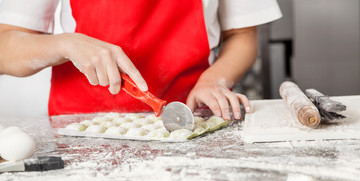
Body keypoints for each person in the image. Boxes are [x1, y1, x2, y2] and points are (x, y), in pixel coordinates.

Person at [0, 0, 281, 120]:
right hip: (81, 133)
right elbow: (5, 48)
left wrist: (214, 80)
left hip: (190, 126)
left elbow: (242, 35)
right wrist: (66, 43)